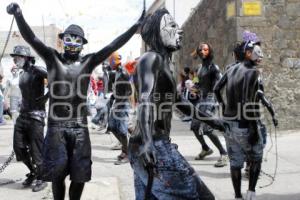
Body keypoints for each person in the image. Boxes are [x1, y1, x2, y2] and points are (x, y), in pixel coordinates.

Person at [7, 3, 145, 199]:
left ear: (83, 43)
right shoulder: (52, 58)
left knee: (79, 176)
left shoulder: (89, 61)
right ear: (63, 41)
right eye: (69, 39)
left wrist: (135, 26)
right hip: (56, 128)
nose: (73, 42)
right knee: (57, 175)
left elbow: (113, 45)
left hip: (80, 128)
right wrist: (19, 15)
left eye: (77, 39)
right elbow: (31, 37)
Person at [128, 9, 215, 199]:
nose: (180, 31)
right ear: (157, 33)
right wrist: (148, 144)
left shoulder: (164, 64)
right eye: (172, 26)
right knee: (203, 197)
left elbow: (180, 104)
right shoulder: (151, 58)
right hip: (153, 145)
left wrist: (216, 122)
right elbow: (145, 99)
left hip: (147, 144)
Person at [213, 32, 278, 200]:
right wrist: (253, 128)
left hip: (229, 122)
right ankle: (251, 193)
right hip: (245, 123)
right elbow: (245, 100)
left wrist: (225, 107)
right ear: (248, 53)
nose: (259, 55)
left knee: (235, 163)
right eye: (255, 51)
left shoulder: (230, 69)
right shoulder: (253, 72)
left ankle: (237, 196)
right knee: (256, 157)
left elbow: (216, 90)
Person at [9, 45, 48, 192]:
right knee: (18, 148)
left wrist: (46, 97)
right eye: (14, 57)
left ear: (26, 57)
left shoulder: (37, 70)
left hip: (36, 117)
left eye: (17, 57)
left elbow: (56, 79)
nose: (14, 59)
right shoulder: (22, 73)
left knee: (36, 151)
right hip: (23, 115)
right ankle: (33, 171)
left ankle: (41, 177)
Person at [189, 42, 228, 167]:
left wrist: (218, 100)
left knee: (207, 129)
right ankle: (205, 148)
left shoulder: (214, 68)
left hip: (211, 100)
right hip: (201, 100)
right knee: (195, 126)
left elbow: (220, 84)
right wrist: (194, 87)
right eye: (200, 50)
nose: (202, 52)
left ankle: (224, 153)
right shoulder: (200, 68)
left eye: (205, 50)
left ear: (210, 51)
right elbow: (198, 82)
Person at [106, 52, 132, 165]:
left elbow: (129, 91)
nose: (109, 63)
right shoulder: (115, 73)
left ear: (113, 61)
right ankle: (127, 149)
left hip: (123, 105)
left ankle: (127, 154)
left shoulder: (124, 73)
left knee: (122, 131)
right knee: (111, 127)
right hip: (117, 104)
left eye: (110, 61)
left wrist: (120, 102)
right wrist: (113, 98)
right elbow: (117, 89)